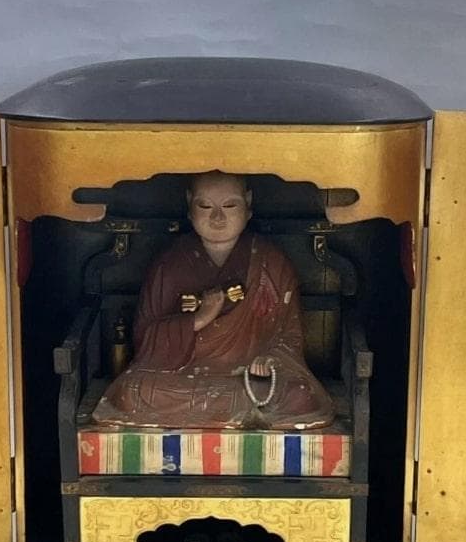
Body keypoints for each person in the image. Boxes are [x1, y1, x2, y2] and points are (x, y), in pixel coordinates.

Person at [92, 170, 334, 431]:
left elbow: (289, 336)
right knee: (131, 391)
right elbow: (145, 338)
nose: (218, 217)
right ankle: (233, 412)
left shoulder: (270, 262)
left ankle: (227, 407)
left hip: (247, 378)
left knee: (300, 395)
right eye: (205, 206)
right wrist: (198, 319)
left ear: (248, 203)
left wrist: (271, 359)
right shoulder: (169, 263)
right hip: (183, 377)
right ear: (189, 204)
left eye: (230, 206)